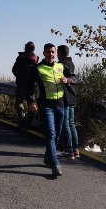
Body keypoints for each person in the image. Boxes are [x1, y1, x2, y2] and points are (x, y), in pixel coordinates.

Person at [33, 43, 67, 177]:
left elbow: (75, 78)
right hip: (46, 105)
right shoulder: (39, 68)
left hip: (60, 104)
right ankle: (55, 163)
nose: (51, 54)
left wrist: (68, 79)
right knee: (51, 134)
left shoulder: (61, 66)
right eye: (48, 52)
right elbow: (30, 85)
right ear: (44, 53)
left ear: (55, 53)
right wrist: (31, 100)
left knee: (57, 134)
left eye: (53, 52)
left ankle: (48, 157)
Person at [58, 45, 80, 160]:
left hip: (65, 97)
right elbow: (75, 78)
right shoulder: (71, 64)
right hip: (72, 96)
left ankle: (68, 150)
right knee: (71, 123)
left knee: (65, 124)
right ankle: (75, 149)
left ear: (60, 53)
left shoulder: (61, 65)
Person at [12, 42, 39, 128]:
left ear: (25, 48)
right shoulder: (36, 58)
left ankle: (22, 119)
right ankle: (30, 122)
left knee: (19, 103)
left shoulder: (20, 57)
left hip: (21, 84)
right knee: (31, 103)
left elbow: (14, 69)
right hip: (31, 85)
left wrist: (19, 77)